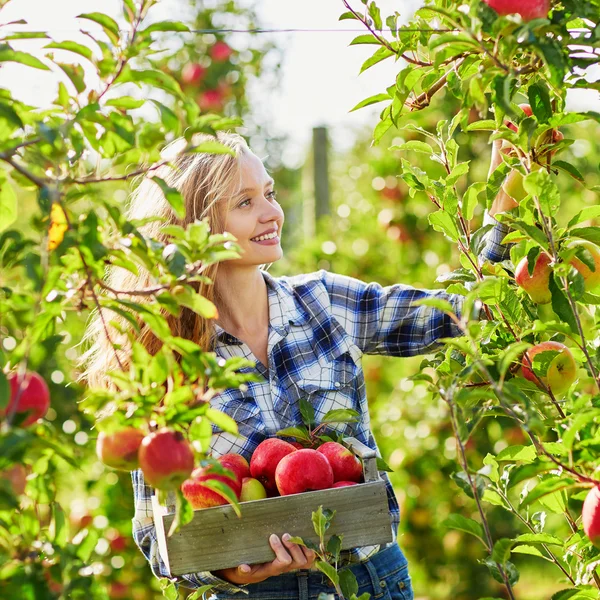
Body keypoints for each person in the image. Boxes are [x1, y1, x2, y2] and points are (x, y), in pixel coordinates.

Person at [80, 125, 522, 600]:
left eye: (268, 193)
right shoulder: (168, 357)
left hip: (369, 582)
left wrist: (509, 203)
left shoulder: (324, 302)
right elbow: (156, 535)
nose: (272, 212)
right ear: (197, 232)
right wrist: (232, 573)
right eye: (245, 202)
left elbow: (463, 315)